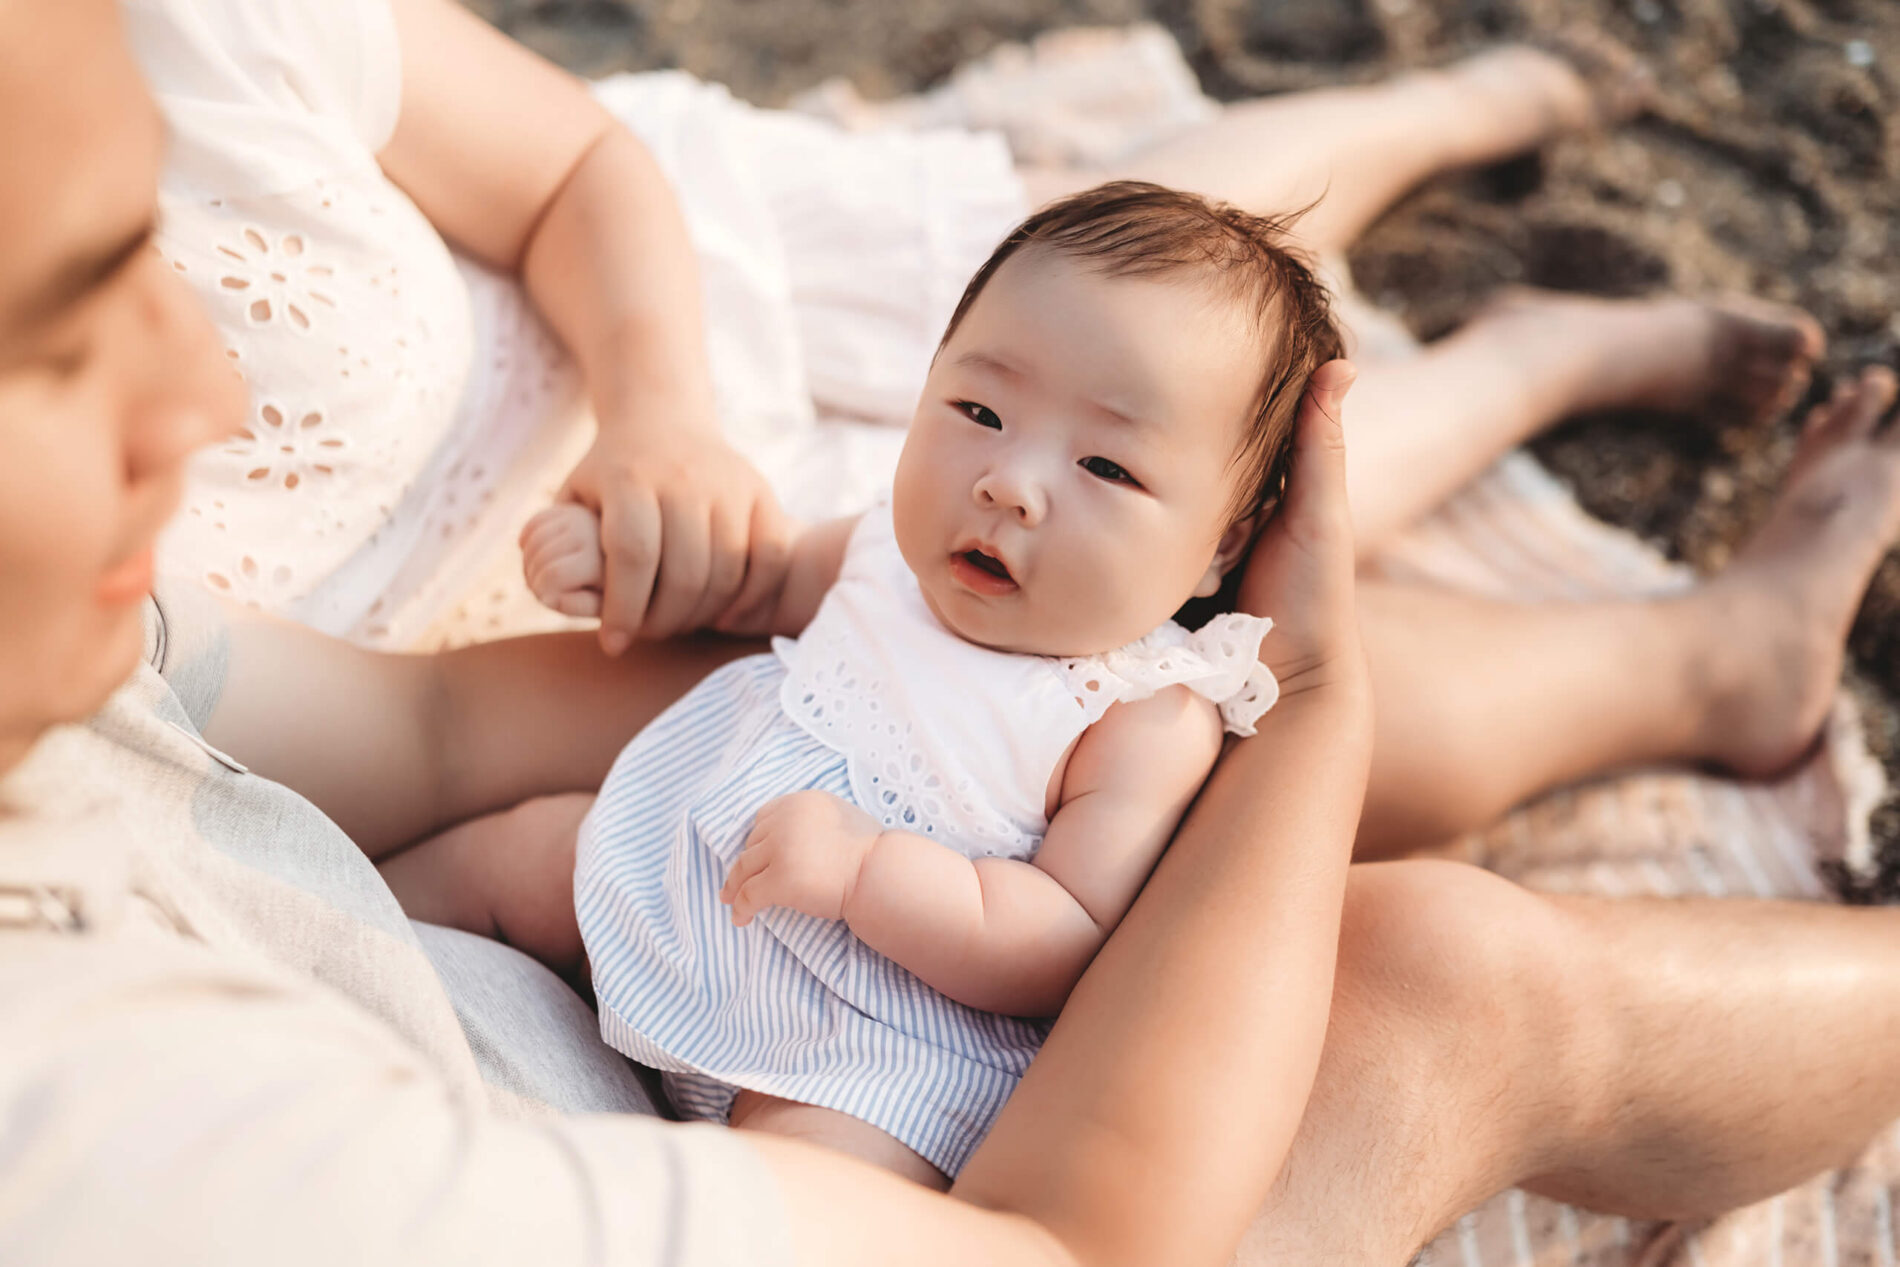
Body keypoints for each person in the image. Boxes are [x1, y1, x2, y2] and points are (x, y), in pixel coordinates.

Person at [12, 5, 1900, 1267]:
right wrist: (1301, 694)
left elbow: (417, 731)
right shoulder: (157, 1121)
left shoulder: (101, 674)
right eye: (88, 310)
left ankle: (1706, 654)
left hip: (790, 892)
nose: (205, 381)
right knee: (1432, 964)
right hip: (826, 1050)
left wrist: (693, 524)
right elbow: (1061, 1244)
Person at [389, 183, 1331, 1186]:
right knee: (518, 852)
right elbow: (752, 586)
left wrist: (866, 874)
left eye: (1105, 465)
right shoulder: (882, 549)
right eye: (979, 410)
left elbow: (1063, 931)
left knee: (818, 1186)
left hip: (872, 1039)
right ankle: (315, 925)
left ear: (1217, 546)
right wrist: (624, 567)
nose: (1007, 481)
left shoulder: (1139, 710)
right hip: (683, 867)